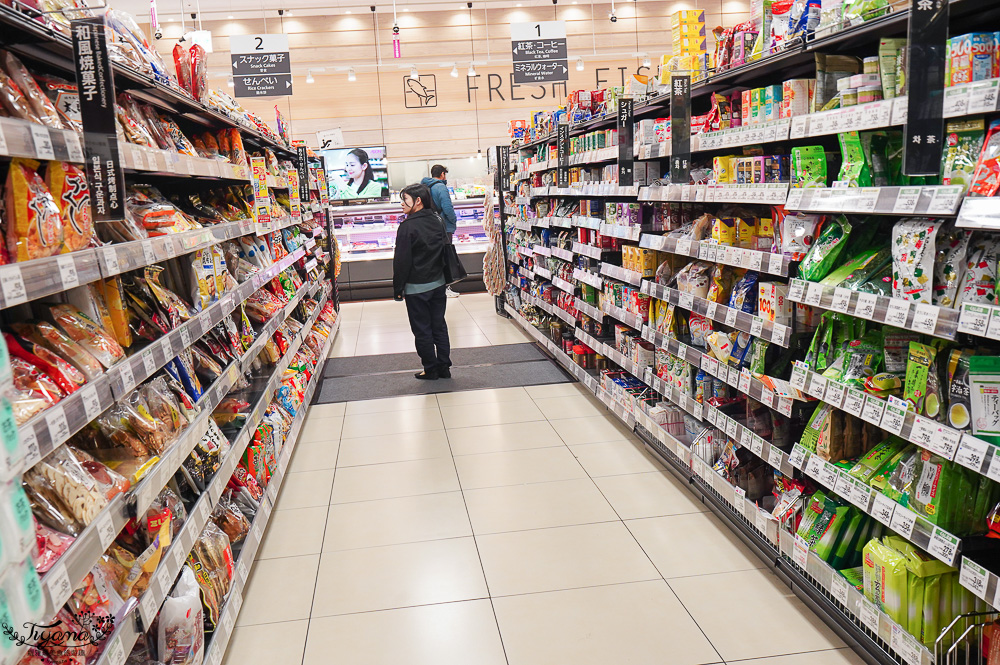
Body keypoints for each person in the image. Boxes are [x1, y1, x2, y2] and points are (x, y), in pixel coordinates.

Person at [392, 183, 452, 380]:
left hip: (416, 287)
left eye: (405, 199)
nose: (402, 204)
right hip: (438, 283)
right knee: (439, 326)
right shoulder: (437, 221)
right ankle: (444, 367)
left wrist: (398, 288)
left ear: (418, 201)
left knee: (422, 329)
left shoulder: (407, 226)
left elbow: (402, 261)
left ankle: (431, 368)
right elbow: (445, 250)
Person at [421, 164, 460, 298]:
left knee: (436, 257)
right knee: (446, 257)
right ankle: (446, 287)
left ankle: (437, 287)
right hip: (444, 227)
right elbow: (447, 208)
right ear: (442, 174)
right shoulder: (441, 187)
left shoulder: (426, 186)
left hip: (432, 226)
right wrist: (454, 221)